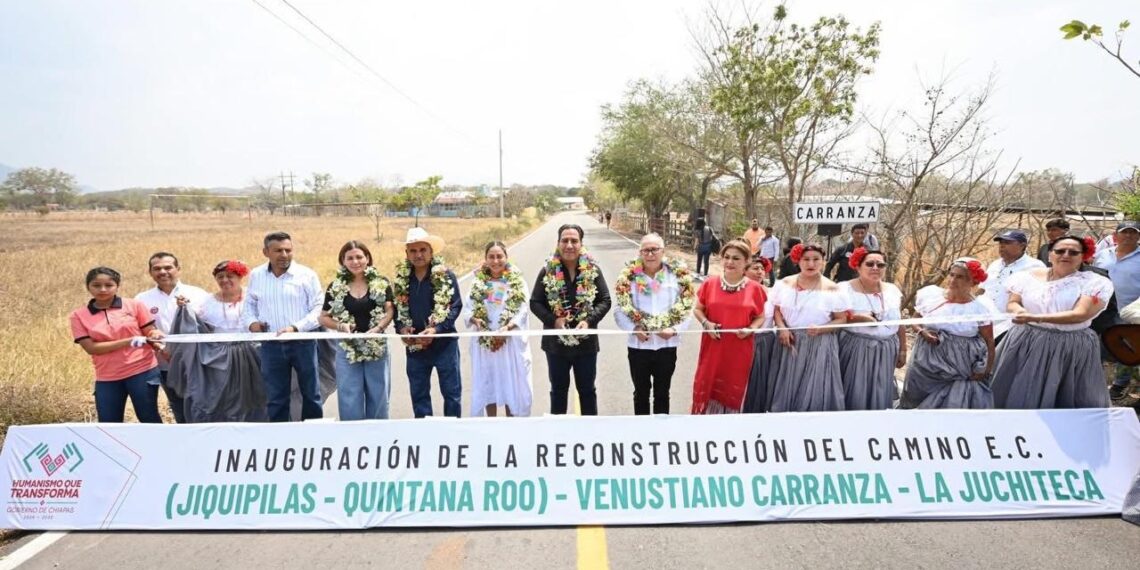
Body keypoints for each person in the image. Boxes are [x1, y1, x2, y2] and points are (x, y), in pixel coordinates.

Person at [991, 236, 1114, 409]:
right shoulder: (1026, 277)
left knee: (1068, 397)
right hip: (1026, 341)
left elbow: (1080, 314)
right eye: (1060, 251)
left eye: (1073, 252)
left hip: (1070, 346)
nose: (1066, 255)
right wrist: (1019, 311)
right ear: (1050, 255)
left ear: (1083, 256)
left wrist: (1035, 318)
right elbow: (1013, 302)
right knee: (1019, 391)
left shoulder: (1095, 283)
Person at [166, 260, 268, 422]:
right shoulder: (208, 301)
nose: (225, 280)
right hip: (220, 356)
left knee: (254, 392)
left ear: (240, 277)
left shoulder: (254, 297)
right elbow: (196, 323)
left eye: (230, 276)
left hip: (252, 353)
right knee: (222, 394)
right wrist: (184, 309)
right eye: (220, 277)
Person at [530, 224, 612, 415]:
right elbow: (535, 302)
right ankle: (559, 436)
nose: (569, 245)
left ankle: (590, 435)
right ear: (558, 243)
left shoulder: (592, 271)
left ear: (581, 244)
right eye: (564, 240)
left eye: (574, 241)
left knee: (587, 391)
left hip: (586, 345)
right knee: (558, 391)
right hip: (556, 345)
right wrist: (553, 321)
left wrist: (589, 321)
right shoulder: (547, 271)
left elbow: (605, 300)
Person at [243, 231, 324, 422]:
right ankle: (280, 438)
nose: (284, 255)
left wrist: (296, 328)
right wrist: (252, 323)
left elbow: (318, 309)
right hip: (270, 345)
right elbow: (249, 305)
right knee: (276, 397)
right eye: (278, 250)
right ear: (266, 252)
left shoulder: (306, 275)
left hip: (303, 342)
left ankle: (315, 436)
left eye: (288, 250)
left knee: (311, 394)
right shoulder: (256, 275)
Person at [613, 233, 695, 415]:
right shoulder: (629, 277)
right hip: (638, 347)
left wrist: (674, 330)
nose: (650, 254)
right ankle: (642, 434)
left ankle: (661, 434)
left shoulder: (676, 276)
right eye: (646, 250)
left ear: (663, 251)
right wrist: (634, 329)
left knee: (662, 393)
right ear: (640, 252)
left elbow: (687, 308)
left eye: (654, 250)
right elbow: (619, 311)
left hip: (667, 346)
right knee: (640, 393)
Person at [69, 267, 163, 423]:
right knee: (108, 423)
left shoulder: (134, 305)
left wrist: (155, 336)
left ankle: (160, 447)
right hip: (107, 376)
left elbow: (150, 332)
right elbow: (91, 348)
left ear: (117, 286)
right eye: (96, 285)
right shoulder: (78, 316)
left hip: (142, 369)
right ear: (88, 287)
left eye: (109, 285)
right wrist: (128, 341)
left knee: (148, 418)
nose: (103, 289)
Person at [899, 259, 996, 409]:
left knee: (951, 403)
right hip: (925, 362)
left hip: (958, 366)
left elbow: (989, 341)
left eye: (960, 277)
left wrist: (986, 370)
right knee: (914, 401)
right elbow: (915, 320)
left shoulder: (979, 310)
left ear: (972, 281)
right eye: (951, 275)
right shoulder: (931, 297)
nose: (952, 280)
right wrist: (922, 331)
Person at [318, 241, 395, 421]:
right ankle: (353, 437)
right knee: (349, 394)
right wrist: (340, 326)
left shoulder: (381, 282)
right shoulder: (335, 286)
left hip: (376, 345)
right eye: (350, 258)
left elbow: (390, 310)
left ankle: (377, 434)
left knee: (379, 392)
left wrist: (378, 328)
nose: (355, 261)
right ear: (343, 261)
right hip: (347, 348)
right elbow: (323, 317)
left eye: (359, 257)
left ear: (367, 258)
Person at [768, 244, 850, 412]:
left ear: (823, 261)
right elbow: (776, 309)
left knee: (815, 386)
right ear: (798, 260)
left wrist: (822, 329)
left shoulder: (833, 289)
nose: (810, 264)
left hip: (819, 342)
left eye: (816, 259)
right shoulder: (784, 283)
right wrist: (782, 328)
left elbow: (841, 319)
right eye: (806, 259)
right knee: (788, 382)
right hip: (790, 340)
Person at [393, 227, 463, 418]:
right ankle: (425, 435)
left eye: (423, 250)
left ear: (431, 251)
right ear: (406, 253)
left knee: (452, 394)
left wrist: (437, 329)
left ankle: (453, 434)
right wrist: (402, 329)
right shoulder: (401, 280)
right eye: (413, 251)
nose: (418, 255)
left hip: (444, 345)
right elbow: (397, 312)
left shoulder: (445, 276)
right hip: (415, 348)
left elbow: (455, 306)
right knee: (419, 395)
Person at [691, 240, 766, 414]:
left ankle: (730, 427)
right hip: (713, 347)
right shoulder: (709, 284)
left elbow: (760, 317)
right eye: (727, 257)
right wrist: (706, 323)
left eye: (736, 258)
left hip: (740, 348)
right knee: (707, 384)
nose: (730, 262)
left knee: (734, 388)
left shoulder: (756, 289)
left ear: (747, 261)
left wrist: (750, 329)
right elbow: (698, 309)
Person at [134, 252, 210, 423]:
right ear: (150, 272)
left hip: (197, 363)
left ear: (178, 269)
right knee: (178, 405)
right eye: (157, 268)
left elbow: (208, 326)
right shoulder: (142, 299)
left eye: (168, 267)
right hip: (164, 363)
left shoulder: (198, 294)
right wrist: (162, 349)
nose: (163, 272)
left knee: (203, 404)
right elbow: (142, 329)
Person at [463, 241, 533, 417]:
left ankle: (511, 424)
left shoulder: (517, 282)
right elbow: (469, 307)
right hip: (485, 343)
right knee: (489, 383)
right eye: (491, 257)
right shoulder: (477, 283)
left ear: (506, 258)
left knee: (510, 384)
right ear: (485, 260)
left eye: (499, 256)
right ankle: (491, 425)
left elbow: (523, 309)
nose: (495, 261)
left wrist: (508, 328)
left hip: (509, 342)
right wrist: (475, 320)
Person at [837, 248, 906, 410]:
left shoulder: (892, 290)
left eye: (880, 264)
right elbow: (835, 318)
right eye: (870, 264)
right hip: (856, 348)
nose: (875, 267)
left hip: (886, 349)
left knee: (880, 389)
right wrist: (859, 318)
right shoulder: (844, 289)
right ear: (858, 266)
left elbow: (899, 321)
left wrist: (902, 349)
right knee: (855, 388)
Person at [1094, 221, 1140, 400]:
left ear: (1138, 236)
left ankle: (1120, 384)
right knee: (1096, 346)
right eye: (1124, 232)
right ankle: (1095, 382)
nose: (1128, 236)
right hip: (1100, 312)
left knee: (1126, 349)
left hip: (1127, 312)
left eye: (1133, 232)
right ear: (1116, 235)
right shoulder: (1103, 255)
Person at [979, 229, 1045, 343]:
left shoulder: (1035, 267)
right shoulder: (995, 264)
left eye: (1007, 243)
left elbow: (1039, 299)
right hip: (984, 321)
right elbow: (982, 290)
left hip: (1010, 326)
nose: (1002, 246)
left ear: (1022, 245)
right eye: (1001, 243)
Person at [742, 256, 777, 413]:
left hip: (767, 342)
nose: (760, 272)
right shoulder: (740, 291)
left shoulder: (772, 293)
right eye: (755, 268)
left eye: (762, 269)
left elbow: (777, 315)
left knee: (762, 380)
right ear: (745, 270)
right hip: (745, 341)